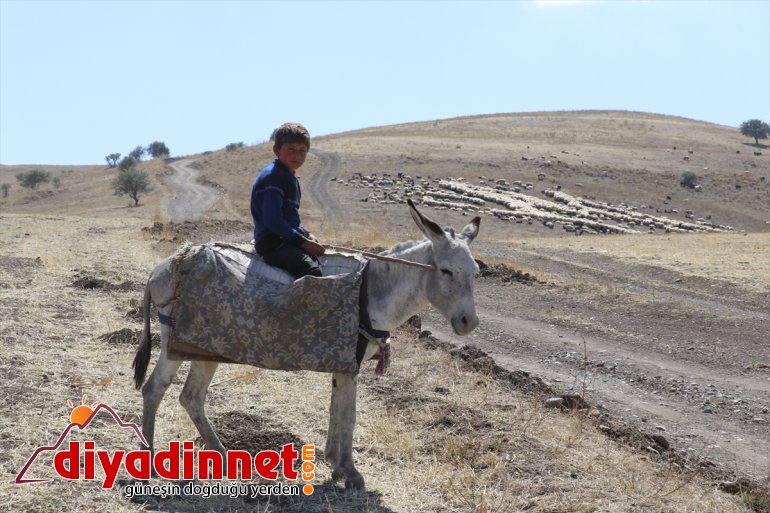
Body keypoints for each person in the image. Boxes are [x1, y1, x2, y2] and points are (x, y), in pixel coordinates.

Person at [251, 122, 325, 278]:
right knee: (313, 272)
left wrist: (307, 234)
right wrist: (303, 242)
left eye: (302, 150)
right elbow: (273, 220)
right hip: (272, 243)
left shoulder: (288, 176)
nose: (297, 155)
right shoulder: (274, 177)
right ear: (276, 150)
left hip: (284, 240)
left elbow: (289, 218)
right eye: (291, 149)